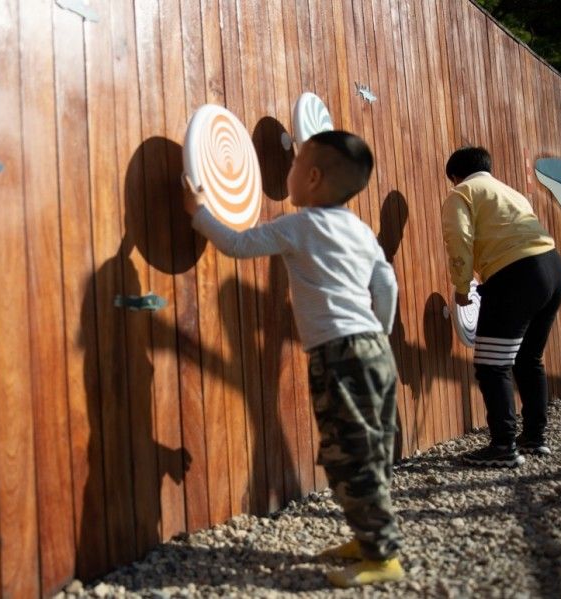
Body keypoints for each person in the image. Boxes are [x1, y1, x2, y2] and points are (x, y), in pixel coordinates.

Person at [183, 130, 403, 588]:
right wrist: (378, 333)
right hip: (374, 349)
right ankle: (368, 540)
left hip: (339, 353)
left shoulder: (299, 225)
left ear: (314, 177)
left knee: (350, 455)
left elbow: (238, 245)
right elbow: (387, 286)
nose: (289, 172)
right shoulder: (360, 230)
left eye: (295, 165)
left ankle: (383, 557)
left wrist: (198, 212)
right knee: (373, 447)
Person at [441, 146, 561, 467]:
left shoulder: (462, 193)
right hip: (553, 269)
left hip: (515, 274)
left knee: (491, 365)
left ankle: (503, 447)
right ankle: (535, 438)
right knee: (528, 358)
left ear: (454, 176)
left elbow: (459, 240)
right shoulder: (509, 192)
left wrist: (461, 287)